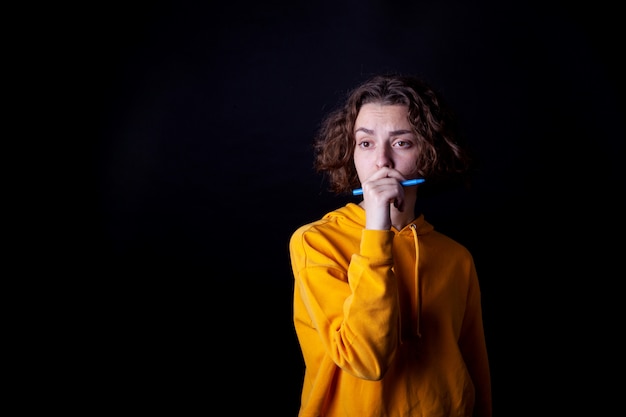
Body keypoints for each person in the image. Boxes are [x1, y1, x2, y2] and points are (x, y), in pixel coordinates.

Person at [288, 73, 492, 417]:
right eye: (366, 143)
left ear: (428, 151)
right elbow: (365, 359)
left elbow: (476, 366)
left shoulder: (456, 257)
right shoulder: (315, 242)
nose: (381, 161)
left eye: (401, 143)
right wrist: (377, 229)